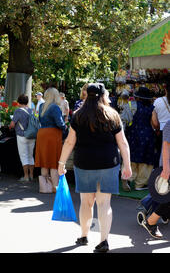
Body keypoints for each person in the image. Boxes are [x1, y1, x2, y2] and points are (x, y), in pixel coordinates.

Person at [57, 82, 132, 253]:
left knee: (86, 203)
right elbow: (122, 142)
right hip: (108, 163)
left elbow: (69, 142)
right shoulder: (113, 115)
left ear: (86, 95)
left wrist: (61, 163)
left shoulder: (78, 116)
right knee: (104, 204)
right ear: (103, 95)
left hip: (84, 164)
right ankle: (104, 241)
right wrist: (127, 165)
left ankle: (84, 236)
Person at [140, 120, 170, 239]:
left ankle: (153, 220)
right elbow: (166, 146)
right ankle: (151, 221)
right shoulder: (169, 124)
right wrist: (166, 169)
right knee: (167, 198)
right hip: (168, 167)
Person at [124, 87, 157, 191]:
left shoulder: (130, 105)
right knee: (145, 161)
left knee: (131, 157)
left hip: (132, 134)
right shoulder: (152, 108)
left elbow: (124, 120)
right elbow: (155, 123)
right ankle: (140, 184)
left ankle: (128, 178)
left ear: (137, 96)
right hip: (147, 136)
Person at [35, 87, 66, 191]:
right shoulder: (55, 107)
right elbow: (60, 123)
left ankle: (45, 187)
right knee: (53, 162)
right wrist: (65, 127)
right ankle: (55, 187)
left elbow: (39, 120)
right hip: (53, 134)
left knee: (44, 161)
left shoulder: (42, 106)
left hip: (42, 133)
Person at [10, 94, 35, 182]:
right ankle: (32, 175)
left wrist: (10, 126)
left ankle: (26, 176)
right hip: (32, 135)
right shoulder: (31, 110)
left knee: (24, 156)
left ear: (18, 101)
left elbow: (12, 124)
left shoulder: (18, 111)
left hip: (21, 135)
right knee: (30, 155)